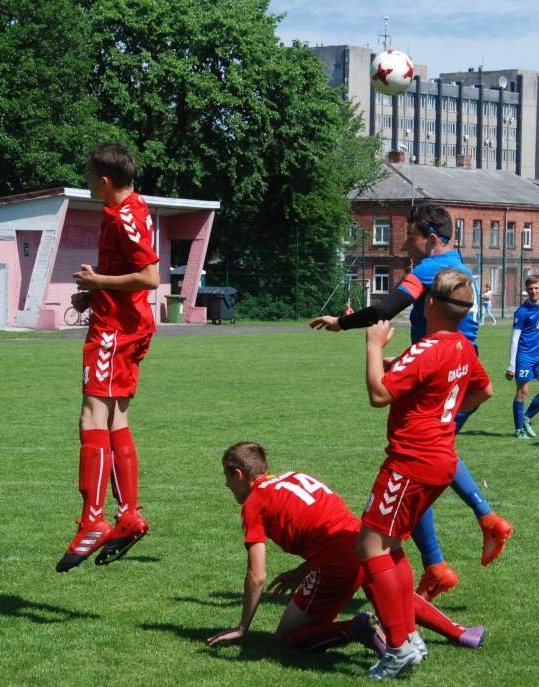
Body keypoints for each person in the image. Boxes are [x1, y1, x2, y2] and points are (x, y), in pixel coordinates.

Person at [310, 204, 513, 601]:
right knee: (432, 462)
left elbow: (387, 309)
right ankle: (464, 538)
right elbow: (482, 387)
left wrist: (343, 323)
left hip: (438, 375)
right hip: (457, 372)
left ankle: (443, 559)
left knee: (415, 466)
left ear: (431, 237)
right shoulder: (461, 269)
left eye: (410, 235)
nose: (403, 243)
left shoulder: (429, 272)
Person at [206, 442, 485, 657]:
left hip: (336, 562)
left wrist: (242, 627)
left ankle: (358, 627)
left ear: (240, 474)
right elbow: (324, 526)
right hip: (362, 540)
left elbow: (257, 575)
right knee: (391, 592)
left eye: (226, 477)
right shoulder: (293, 476)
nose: (225, 484)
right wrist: (302, 571)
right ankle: (460, 633)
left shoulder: (254, 503)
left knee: (288, 637)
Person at [358, 268, 495, 679]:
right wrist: (444, 415)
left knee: (369, 546)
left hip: (411, 460)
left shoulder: (428, 347)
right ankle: (409, 636)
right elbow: (483, 390)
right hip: (441, 460)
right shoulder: (462, 347)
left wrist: (371, 345)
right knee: (391, 545)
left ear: (429, 304)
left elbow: (379, 394)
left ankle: (398, 645)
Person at [56, 143, 160, 572]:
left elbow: (150, 276)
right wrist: (95, 292)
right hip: (125, 323)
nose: (85, 180)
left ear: (104, 180)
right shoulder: (132, 207)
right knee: (116, 419)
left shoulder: (125, 216)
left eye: (88, 174)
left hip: (116, 331)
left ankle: (92, 519)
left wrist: (98, 279)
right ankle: (128, 513)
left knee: (90, 418)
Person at [506, 274, 539, 439]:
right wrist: (512, 366)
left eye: (536, 288)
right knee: (523, 391)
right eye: (530, 289)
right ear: (526, 290)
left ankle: (526, 418)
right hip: (524, 356)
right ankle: (519, 429)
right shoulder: (521, 312)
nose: (534, 291)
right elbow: (514, 339)